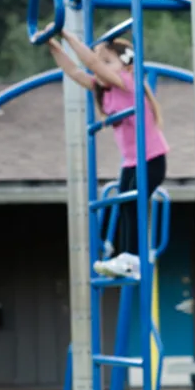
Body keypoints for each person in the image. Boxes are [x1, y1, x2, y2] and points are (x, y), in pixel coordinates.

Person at [46, 29, 169, 280]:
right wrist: (51, 43)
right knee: (123, 206)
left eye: (107, 62)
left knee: (132, 203)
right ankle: (126, 257)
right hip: (132, 161)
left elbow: (89, 62)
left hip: (152, 158)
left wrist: (66, 35)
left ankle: (133, 259)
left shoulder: (127, 84)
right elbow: (74, 71)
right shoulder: (104, 89)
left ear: (126, 67)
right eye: (100, 63)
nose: (98, 68)